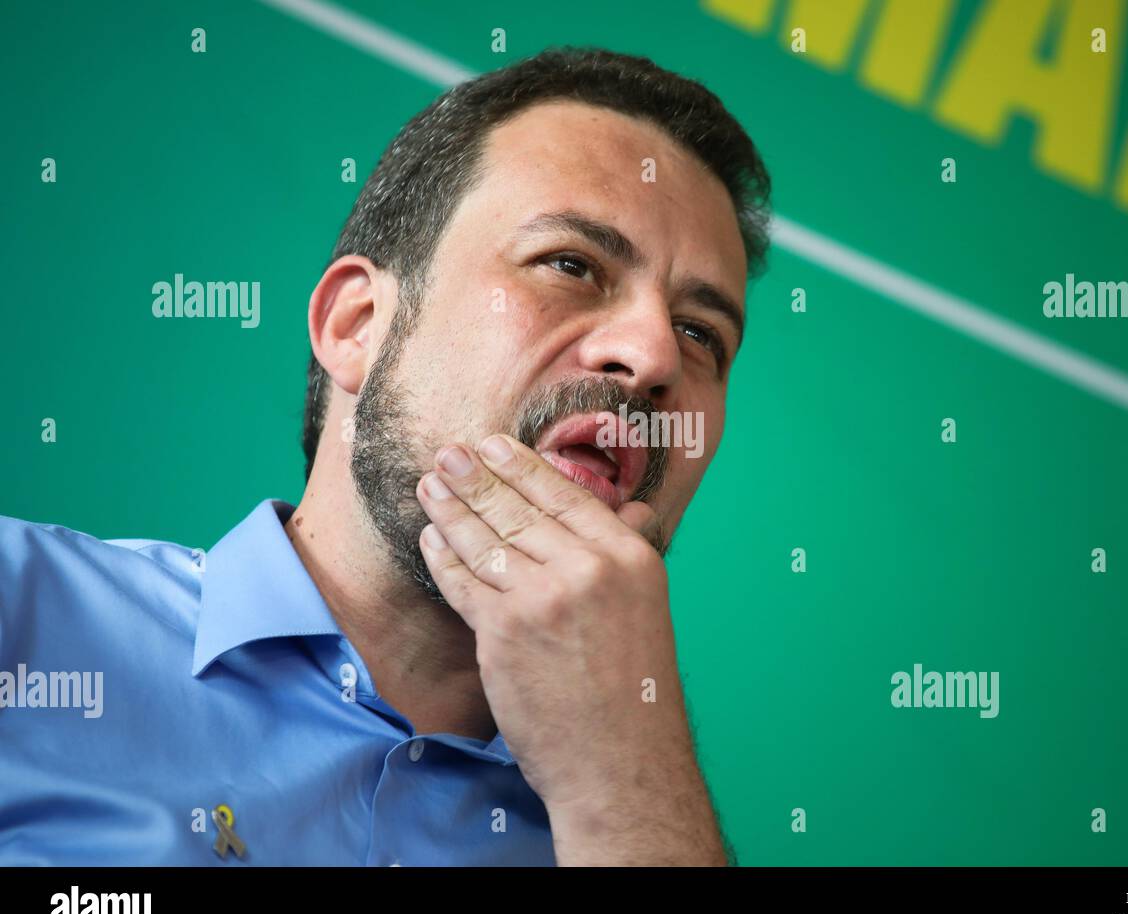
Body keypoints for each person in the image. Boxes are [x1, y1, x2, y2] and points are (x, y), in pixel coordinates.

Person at [0, 46, 771, 866]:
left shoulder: (640, 822)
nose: (654, 355)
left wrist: (627, 786)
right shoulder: (24, 615)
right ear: (356, 326)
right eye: (571, 265)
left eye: (701, 334)